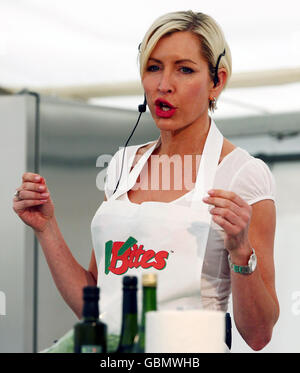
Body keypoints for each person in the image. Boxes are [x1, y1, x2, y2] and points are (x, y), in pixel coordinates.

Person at [13, 10, 279, 351]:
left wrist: (242, 253)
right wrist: (46, 228)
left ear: (217, 81)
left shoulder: (242, 173)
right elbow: (96, 305)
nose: (163, 84)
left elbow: (259, 335)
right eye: (153, 67)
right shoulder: (123, 164)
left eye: (185, 69)